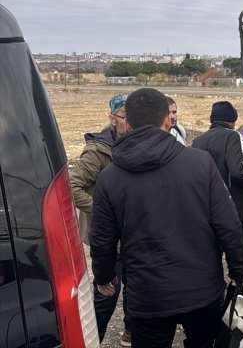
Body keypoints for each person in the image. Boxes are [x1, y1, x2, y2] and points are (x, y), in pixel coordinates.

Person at [90, 88, 243, 348]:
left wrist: (103, 276)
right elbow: (227, 224)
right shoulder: (200, 163)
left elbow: (102, 238)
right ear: (168, 120)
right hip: (202, 290)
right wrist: (240, 272)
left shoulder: (110, 177)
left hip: (148, 296)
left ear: (127, 122)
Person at [69, 94, 132, 345]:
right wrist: (103, 210)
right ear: (113, 119)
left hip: (131, 233)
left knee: (134, 288)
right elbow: (73, 187)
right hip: (107, 237)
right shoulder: (97, 150)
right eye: (125, 117)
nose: (130, 123)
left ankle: (129, 330)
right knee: (107, 292)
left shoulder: (133, 146)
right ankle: (94, 338)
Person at [193, 101, 243, 231]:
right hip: (236, 207)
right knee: (240, 249)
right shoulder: (233, 136)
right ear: (232, 120)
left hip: (209, 208)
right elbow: (241, 171)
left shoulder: (198, 140)